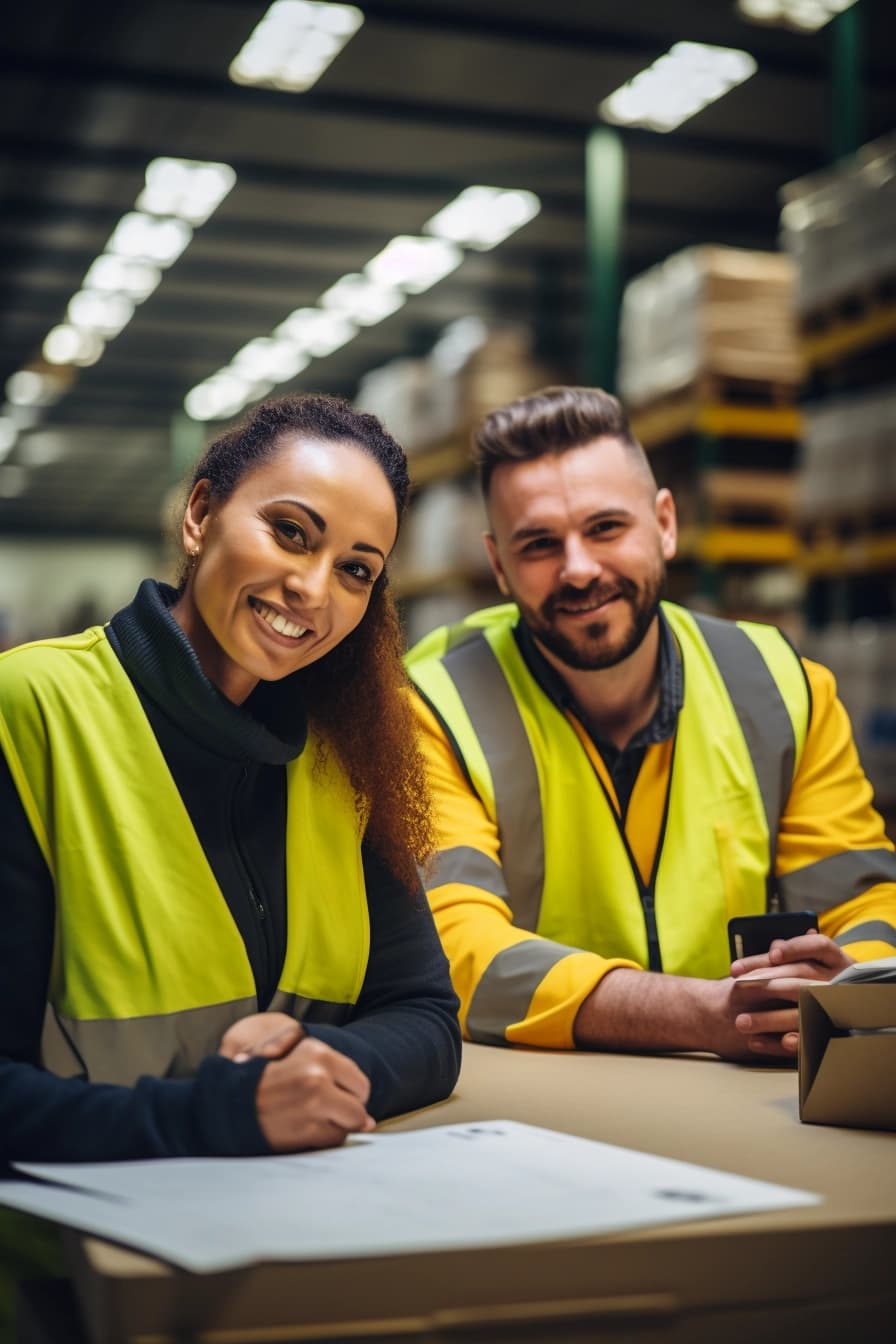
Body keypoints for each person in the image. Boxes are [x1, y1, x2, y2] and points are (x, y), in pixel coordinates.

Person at [0, 393, 461, 1164]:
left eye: (355, 570)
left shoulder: (341, 757)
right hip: (73, 1265)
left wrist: (321, 1065)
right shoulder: (31, 712)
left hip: (281, 1241)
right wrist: (212, 1116)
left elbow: (424, 1014)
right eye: (289, 533)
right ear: (200, 514)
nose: (314, 590)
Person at [405, 385, 896, 1061]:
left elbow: (867, 900)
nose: (579, 569)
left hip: (743, 1088)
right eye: (540, 544)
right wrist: (704, 1015)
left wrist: (839, 981)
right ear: (498, 566)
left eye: (606, 528)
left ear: (664, 523)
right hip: (538, 1102)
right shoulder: (435, 709)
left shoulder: (783, 689)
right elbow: (455, 949)